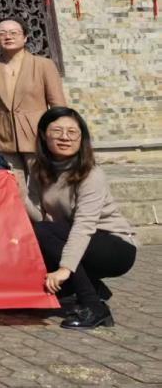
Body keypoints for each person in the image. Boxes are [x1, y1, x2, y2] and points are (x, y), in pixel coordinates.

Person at [25, 107, 137, 330]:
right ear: (44, 135)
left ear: (81, 137)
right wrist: (16, 193)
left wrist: (64, 269)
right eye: (57, 131)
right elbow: (38, 215)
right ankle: (93, 287)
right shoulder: (38, 169)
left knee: (43, 232)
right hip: (73, 238)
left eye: (72, 132)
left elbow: (83, 226)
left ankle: (94, 306)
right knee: (38, 234)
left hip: (114, 245)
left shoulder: (91, 174)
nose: (65, 137)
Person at [0, 18, 66, 175]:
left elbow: (58, 106)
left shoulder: (43, 65)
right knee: (13, 185)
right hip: (4, 139)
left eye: (14, 33)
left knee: (42, 183)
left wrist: (59, 135)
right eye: (2, 33)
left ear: (25, 37)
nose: (8, 37)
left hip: (36, 137)